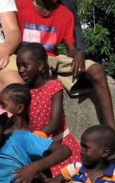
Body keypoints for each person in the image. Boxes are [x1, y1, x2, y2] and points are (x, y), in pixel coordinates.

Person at [15, 0, 115, 159]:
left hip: (51, 59)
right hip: (25, 58)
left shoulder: (64, 13)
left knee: (96, 70)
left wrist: (78, 53)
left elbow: (70, 47)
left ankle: (114, 138)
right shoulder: (21, 7)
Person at [16, 43, 82, 175]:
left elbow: (55, 122)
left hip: (60, 143)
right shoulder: (24, 91)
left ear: (40, 65)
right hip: (39, 147)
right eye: (19, 66)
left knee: (63, 181)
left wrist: (38, 136)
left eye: (25, 65)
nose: (21, 70)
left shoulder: (54, 86)